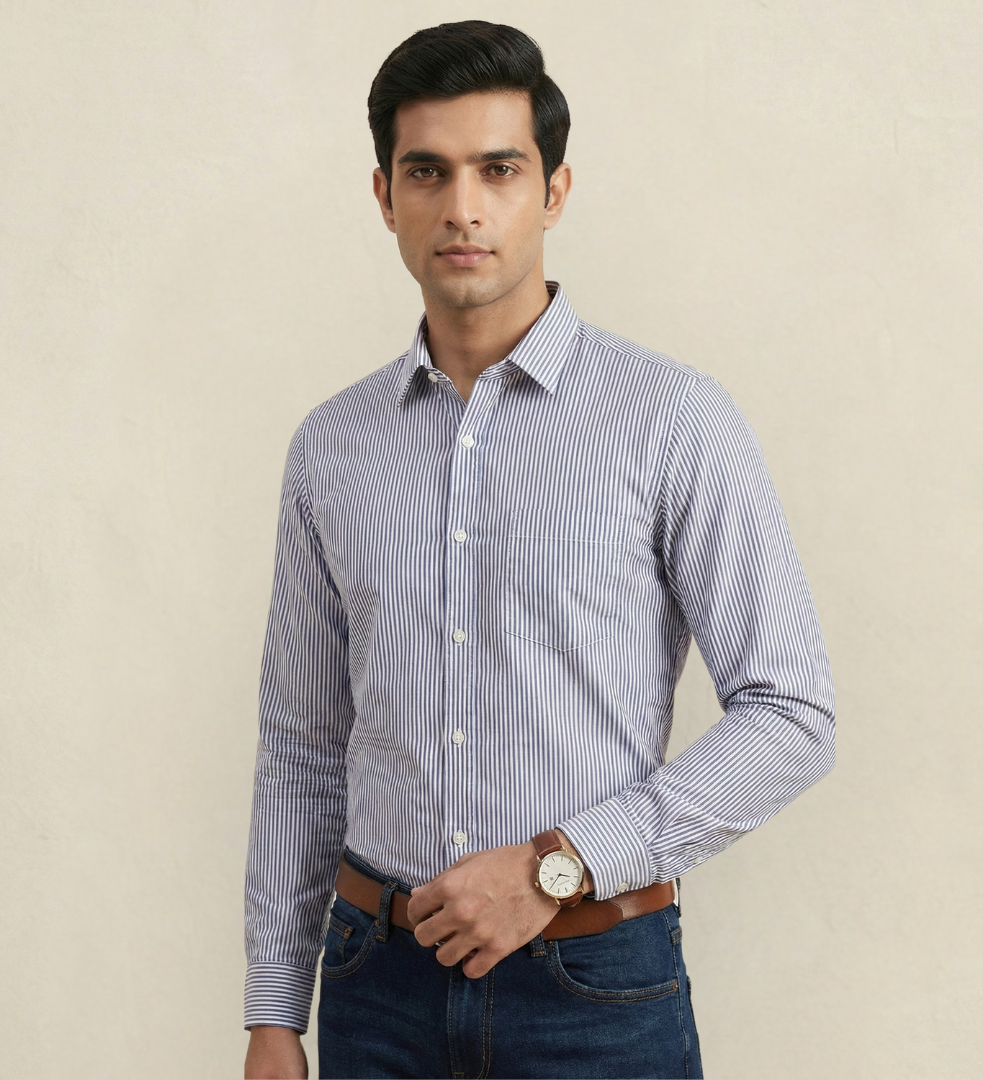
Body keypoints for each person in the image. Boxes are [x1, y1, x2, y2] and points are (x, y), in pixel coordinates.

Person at [243, 19, 835, 1080]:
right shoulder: (331, 447)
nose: (462, 208)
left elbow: (792, 713)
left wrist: (556, 867)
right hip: (375, 991)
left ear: (554, 191)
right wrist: (274, 1014)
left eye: (499, 170)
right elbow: (302, 748)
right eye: (427, 172)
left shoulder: (672, 419)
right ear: (384, 195)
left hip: (594, 986)